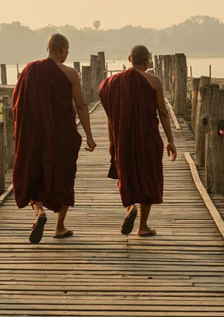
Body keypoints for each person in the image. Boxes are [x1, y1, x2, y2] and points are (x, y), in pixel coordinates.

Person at [11, 33, 96, 243]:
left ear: (47, 48)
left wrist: (22, 131)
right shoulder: (70, 73)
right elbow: (82, 105)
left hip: (35, 135)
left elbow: (17, 103)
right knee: (64, 177)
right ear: (62, 50)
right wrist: (89, 136)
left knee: (35, 174)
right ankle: (59, 227)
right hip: (63, 135)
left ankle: (39, 211)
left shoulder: (29, 70)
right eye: (67, 51)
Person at [98, 45, 177, 237]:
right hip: (148, 137)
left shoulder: (110, 83)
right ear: (147, 61)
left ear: (129, 59)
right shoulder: (154, 82)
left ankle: (130, 206)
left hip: (122, 138)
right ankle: (143, 226)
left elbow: (111, 115)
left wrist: (111, 142)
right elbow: (163, 113)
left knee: (126, 173)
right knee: (148, 177)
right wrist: (171, 140)